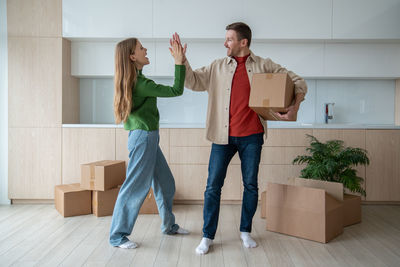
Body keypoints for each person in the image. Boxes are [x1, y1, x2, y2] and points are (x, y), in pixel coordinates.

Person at [171, 22, 307, 254]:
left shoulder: (265, 65)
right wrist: (181, 61)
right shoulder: (217, 67)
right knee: (212, 187)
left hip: (252, 136)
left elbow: (298, 81)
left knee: (250, 185)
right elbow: (192, 81)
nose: (225, 43)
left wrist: (294, 106)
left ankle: (245, 231)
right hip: (222, 137)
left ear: (243, 42)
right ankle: (207, 236)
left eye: (230, 39)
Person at [109, 38, 189, 249]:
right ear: (132, 56)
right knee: (135, 188)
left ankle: (169, 225)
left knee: (165, 182)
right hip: (144, 138)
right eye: (141, 48)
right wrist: (179, 63)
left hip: (148, 138)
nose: (146, 50)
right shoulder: (141, 84)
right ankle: (117, 236)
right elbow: (176, 90)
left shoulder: (137, 79)